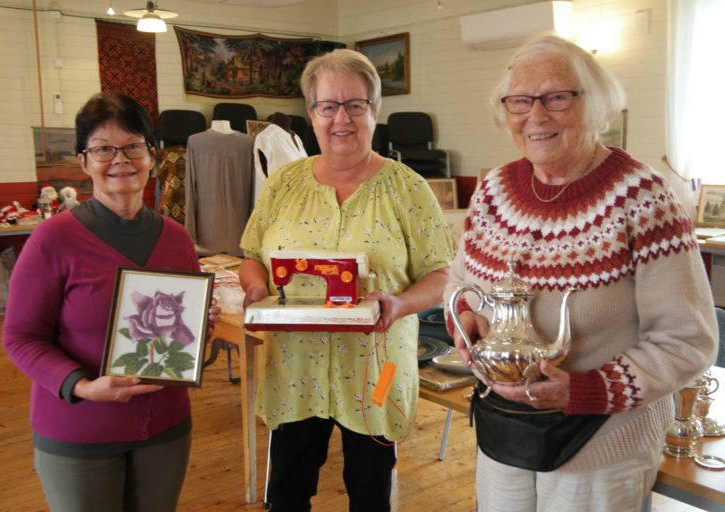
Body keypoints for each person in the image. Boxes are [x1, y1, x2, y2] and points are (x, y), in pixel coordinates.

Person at [445, 35, 717, 512]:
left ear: (595, 105)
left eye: (557, 97)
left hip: (602, 442)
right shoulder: (493, 190)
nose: (537, 115)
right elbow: (460, 279)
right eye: (521, 101)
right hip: (505, 429)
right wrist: (465, 316)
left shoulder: (643, 198)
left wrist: (584, 391)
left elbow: (687, 340)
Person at [239, 48, 454, 511]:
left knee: (371, 495)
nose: (342, 118)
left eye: (356, 105)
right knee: (287, 496)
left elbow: (442, 273)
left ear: (375, 112)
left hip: (377, 369)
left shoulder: (408, 188)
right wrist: (255, 290)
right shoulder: (283, 185)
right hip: (294, 368)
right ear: (311, 115)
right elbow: (252, 255)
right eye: (328, 106)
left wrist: (402, 304)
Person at [3, 92, 218, 512]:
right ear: (84, 162)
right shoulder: (53, 239)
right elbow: (21, 337)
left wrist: (199, 323)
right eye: (103, 148)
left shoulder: (176, 237)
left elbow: (178, 336)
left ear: (152, 155)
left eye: (133, 146)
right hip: (79, 432)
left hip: (165, 428)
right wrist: (80, 386)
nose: (120, 159)